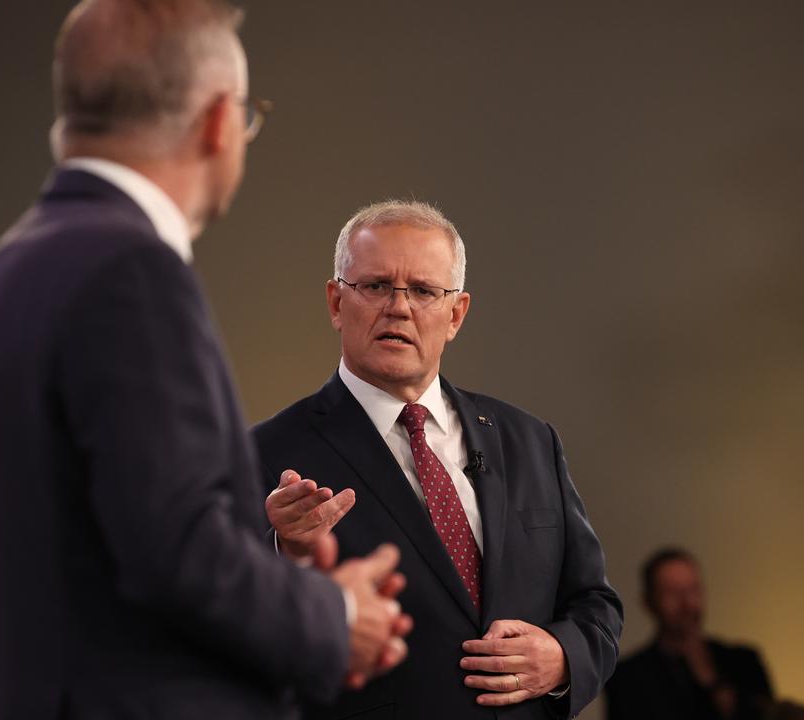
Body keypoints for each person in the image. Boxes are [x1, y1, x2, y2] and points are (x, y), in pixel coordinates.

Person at [0, 2, 410, 718]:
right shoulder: (130, 271)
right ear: (220, 121)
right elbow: (177, 557)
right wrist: (335, 617)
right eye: (249, 117)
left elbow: (110, 540)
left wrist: (273, 566)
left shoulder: (7, 269)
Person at [252, 200, 623, 719]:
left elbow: (595, 606)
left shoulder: (530, 441)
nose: (399, 308)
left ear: (455, 314)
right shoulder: (266, 455)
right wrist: (285, 553)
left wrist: (562, 658)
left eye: (424, 291)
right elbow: (217, 628)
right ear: (337, 303)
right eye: (376, 286)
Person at [606, 548, 773, 720]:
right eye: (672, 593)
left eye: (693, 590)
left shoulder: (744, 663)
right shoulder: (628, 679)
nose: (688, 604)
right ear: (649, 601)